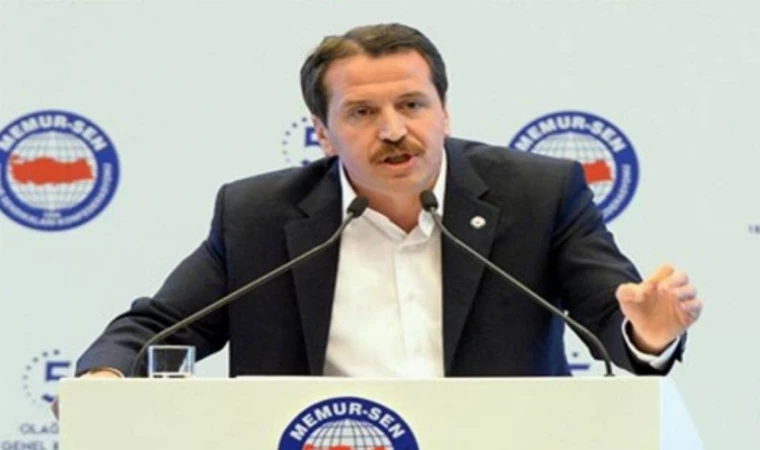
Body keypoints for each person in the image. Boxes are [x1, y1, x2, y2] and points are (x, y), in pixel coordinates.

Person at [54, 22, 702, 416]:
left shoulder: (539, 194)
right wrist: (104, 378)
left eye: (412, 105)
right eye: (362, 113)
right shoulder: (258, 216)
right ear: (323, 133)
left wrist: (646, 335)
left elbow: (613, 317)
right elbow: (156, 327)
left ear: (445, 113)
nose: (393, 130)